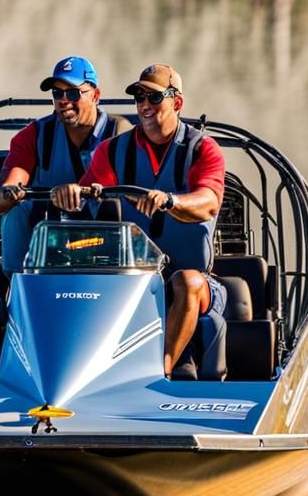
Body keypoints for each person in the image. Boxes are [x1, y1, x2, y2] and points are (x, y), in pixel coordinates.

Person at [50, 64, 227, 380]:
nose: (145, 105)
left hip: (196, 282)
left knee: (186, 281)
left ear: (177, 102)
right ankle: (71, 376)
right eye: (138, 97)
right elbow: (92, 192)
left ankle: (161, 374)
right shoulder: (113, 150)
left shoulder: (203, 148)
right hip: (132, 278)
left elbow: (208, 202)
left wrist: (170, 200)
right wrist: (72, 194)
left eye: (154, 97)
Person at [0, 56, 131, 379]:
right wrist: (6, 192)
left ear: (94, 94)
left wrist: (81, 191)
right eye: (56, 93)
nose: (63, 101)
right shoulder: (33, 136)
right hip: (38, 273)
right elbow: (10, 182)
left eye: (72, 93)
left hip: (106, 271)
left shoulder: (120, 133)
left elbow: (114, 178)